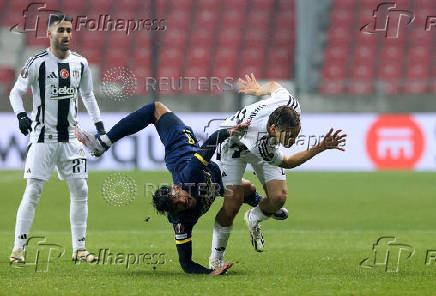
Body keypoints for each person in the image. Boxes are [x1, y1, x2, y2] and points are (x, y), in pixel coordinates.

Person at [76, 101, 271, 274]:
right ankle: (264, 204)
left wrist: (229, 131)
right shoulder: (181, 221)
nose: (182, 201)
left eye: (177, 195)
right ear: (175, 211)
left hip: (183, 150)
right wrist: (210, 273)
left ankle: (104, 142)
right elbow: (186, 264)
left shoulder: (191, 174)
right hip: (212, 180)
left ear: (176, 187)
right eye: (177, 205)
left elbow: (211, 141)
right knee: (245, 187)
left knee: (156, 109)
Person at [208, 73, 347, 269]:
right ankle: (216, 258)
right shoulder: (259, 141)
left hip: (265, 143)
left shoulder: (289, 104)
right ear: (273, 128)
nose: (292, 140)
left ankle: (254, 217)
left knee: (279, 197)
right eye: (289, 136)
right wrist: (320, 147)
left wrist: (258, 90)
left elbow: (274, 85)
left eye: (296, 133)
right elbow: (288, 162)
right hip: (233, 148)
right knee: (232, 204)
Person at [9, 14, 105, 263]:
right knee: (33, 190)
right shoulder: (37, 63)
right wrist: (21, 115)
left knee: (81, 189)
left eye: (69, 30)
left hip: (71, 139)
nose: (66, 35)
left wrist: (100, 126)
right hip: (43, 137)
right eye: (60, 30)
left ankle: (79, 249)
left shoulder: (80, 63)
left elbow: (88, 96)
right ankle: (18, 249)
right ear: (49, 34)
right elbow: (15, 93)